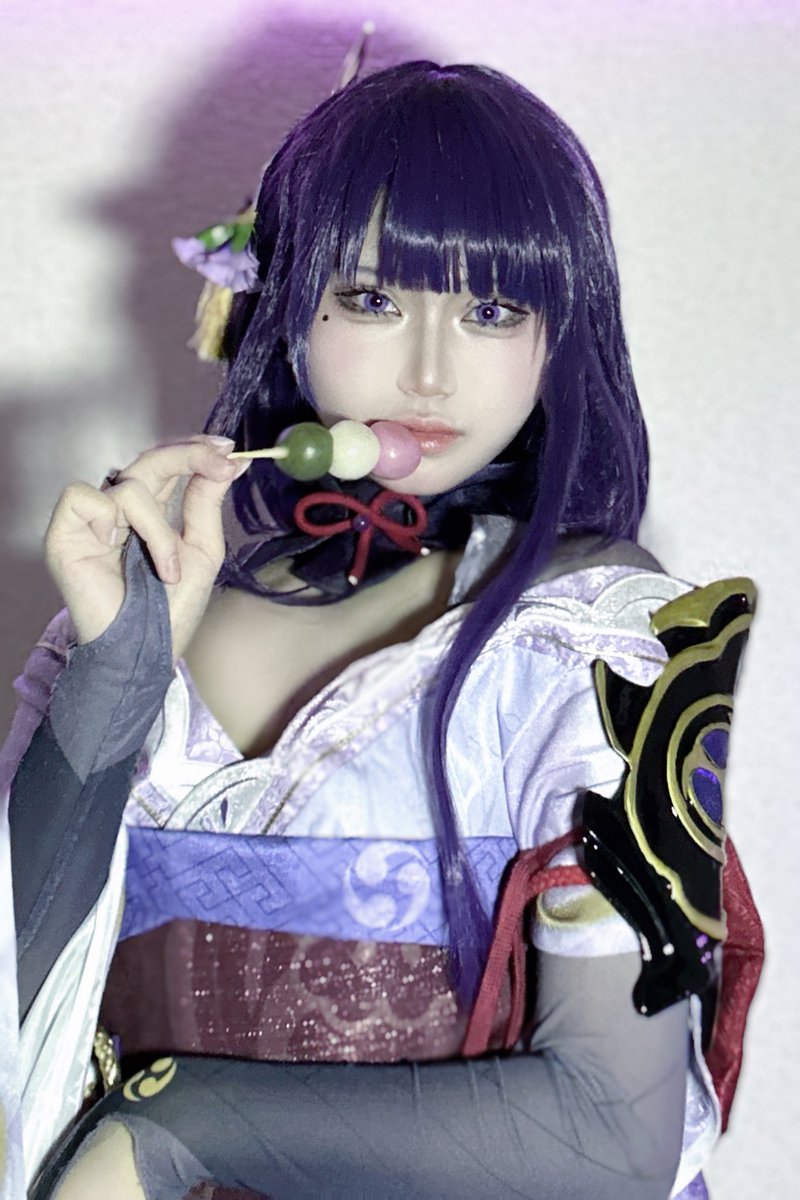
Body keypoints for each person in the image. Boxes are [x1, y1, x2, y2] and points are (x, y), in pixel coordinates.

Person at [0, 61, 760, 1200]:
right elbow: (15, 1039)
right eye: (370, 299)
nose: (429, 372)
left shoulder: (599, 637)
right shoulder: (144, 606)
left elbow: (612, 1138)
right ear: (283, 310)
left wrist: (173, 1127)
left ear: (561, 336)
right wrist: (116, 677)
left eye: (491, 312)